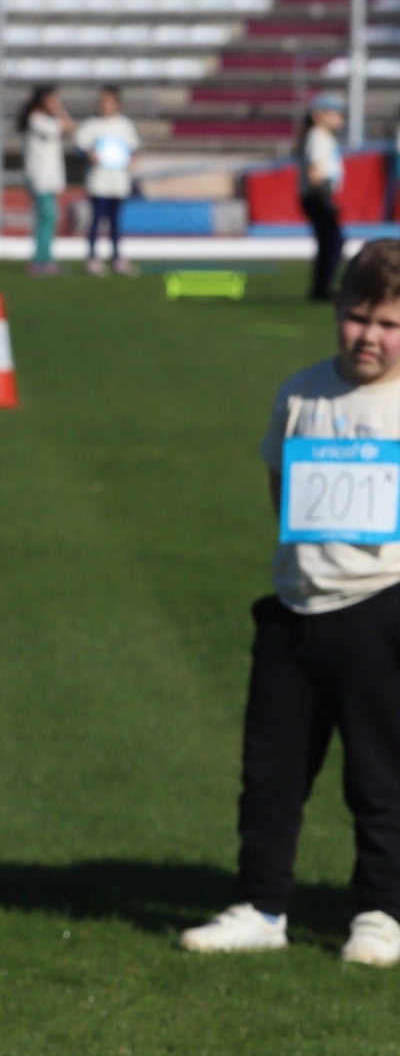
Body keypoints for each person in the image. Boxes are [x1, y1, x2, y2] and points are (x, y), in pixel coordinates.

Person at [180, 240, 400, 969]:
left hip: (381, 608)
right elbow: (282, 490)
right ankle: (261, 906)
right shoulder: (301, 394)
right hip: (294, 607)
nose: (369, 336)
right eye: (358, 317)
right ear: (336, 310)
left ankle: (380, 911)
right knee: (270, 771)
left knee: (379, 773)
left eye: (390, 325)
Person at [75, 85, 140, 275]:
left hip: (118, 181)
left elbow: (134, 148)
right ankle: (92, 257)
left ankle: (117, 257)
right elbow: (79, 146)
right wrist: (89, 154)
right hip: (99, 181)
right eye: (102, 101)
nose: (105, 105)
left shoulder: (124, 125)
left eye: (109, 102)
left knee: (115, 221)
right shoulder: (91, 125)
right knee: (96, 219)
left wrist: (133, 158)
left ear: (117, 104)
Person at [298, 92, 347, 302]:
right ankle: (321, 289)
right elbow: (315, 170)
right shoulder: (318, 136)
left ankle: (321, 288)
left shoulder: (322, 136)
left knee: (329, 241)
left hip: (319, 195)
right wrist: (325, 197)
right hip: (318, 195)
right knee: (333, 242)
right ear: (319, 115)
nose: (340, 118)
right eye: (335, 113)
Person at [20, 85, 70, 276]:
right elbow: (67, 126)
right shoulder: (37, 120)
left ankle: (45, 258)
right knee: (46, 218)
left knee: (48, 219)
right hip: (41, 179)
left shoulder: (44, 120)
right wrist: (59, 110)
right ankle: (40, 260)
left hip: (48, 179)